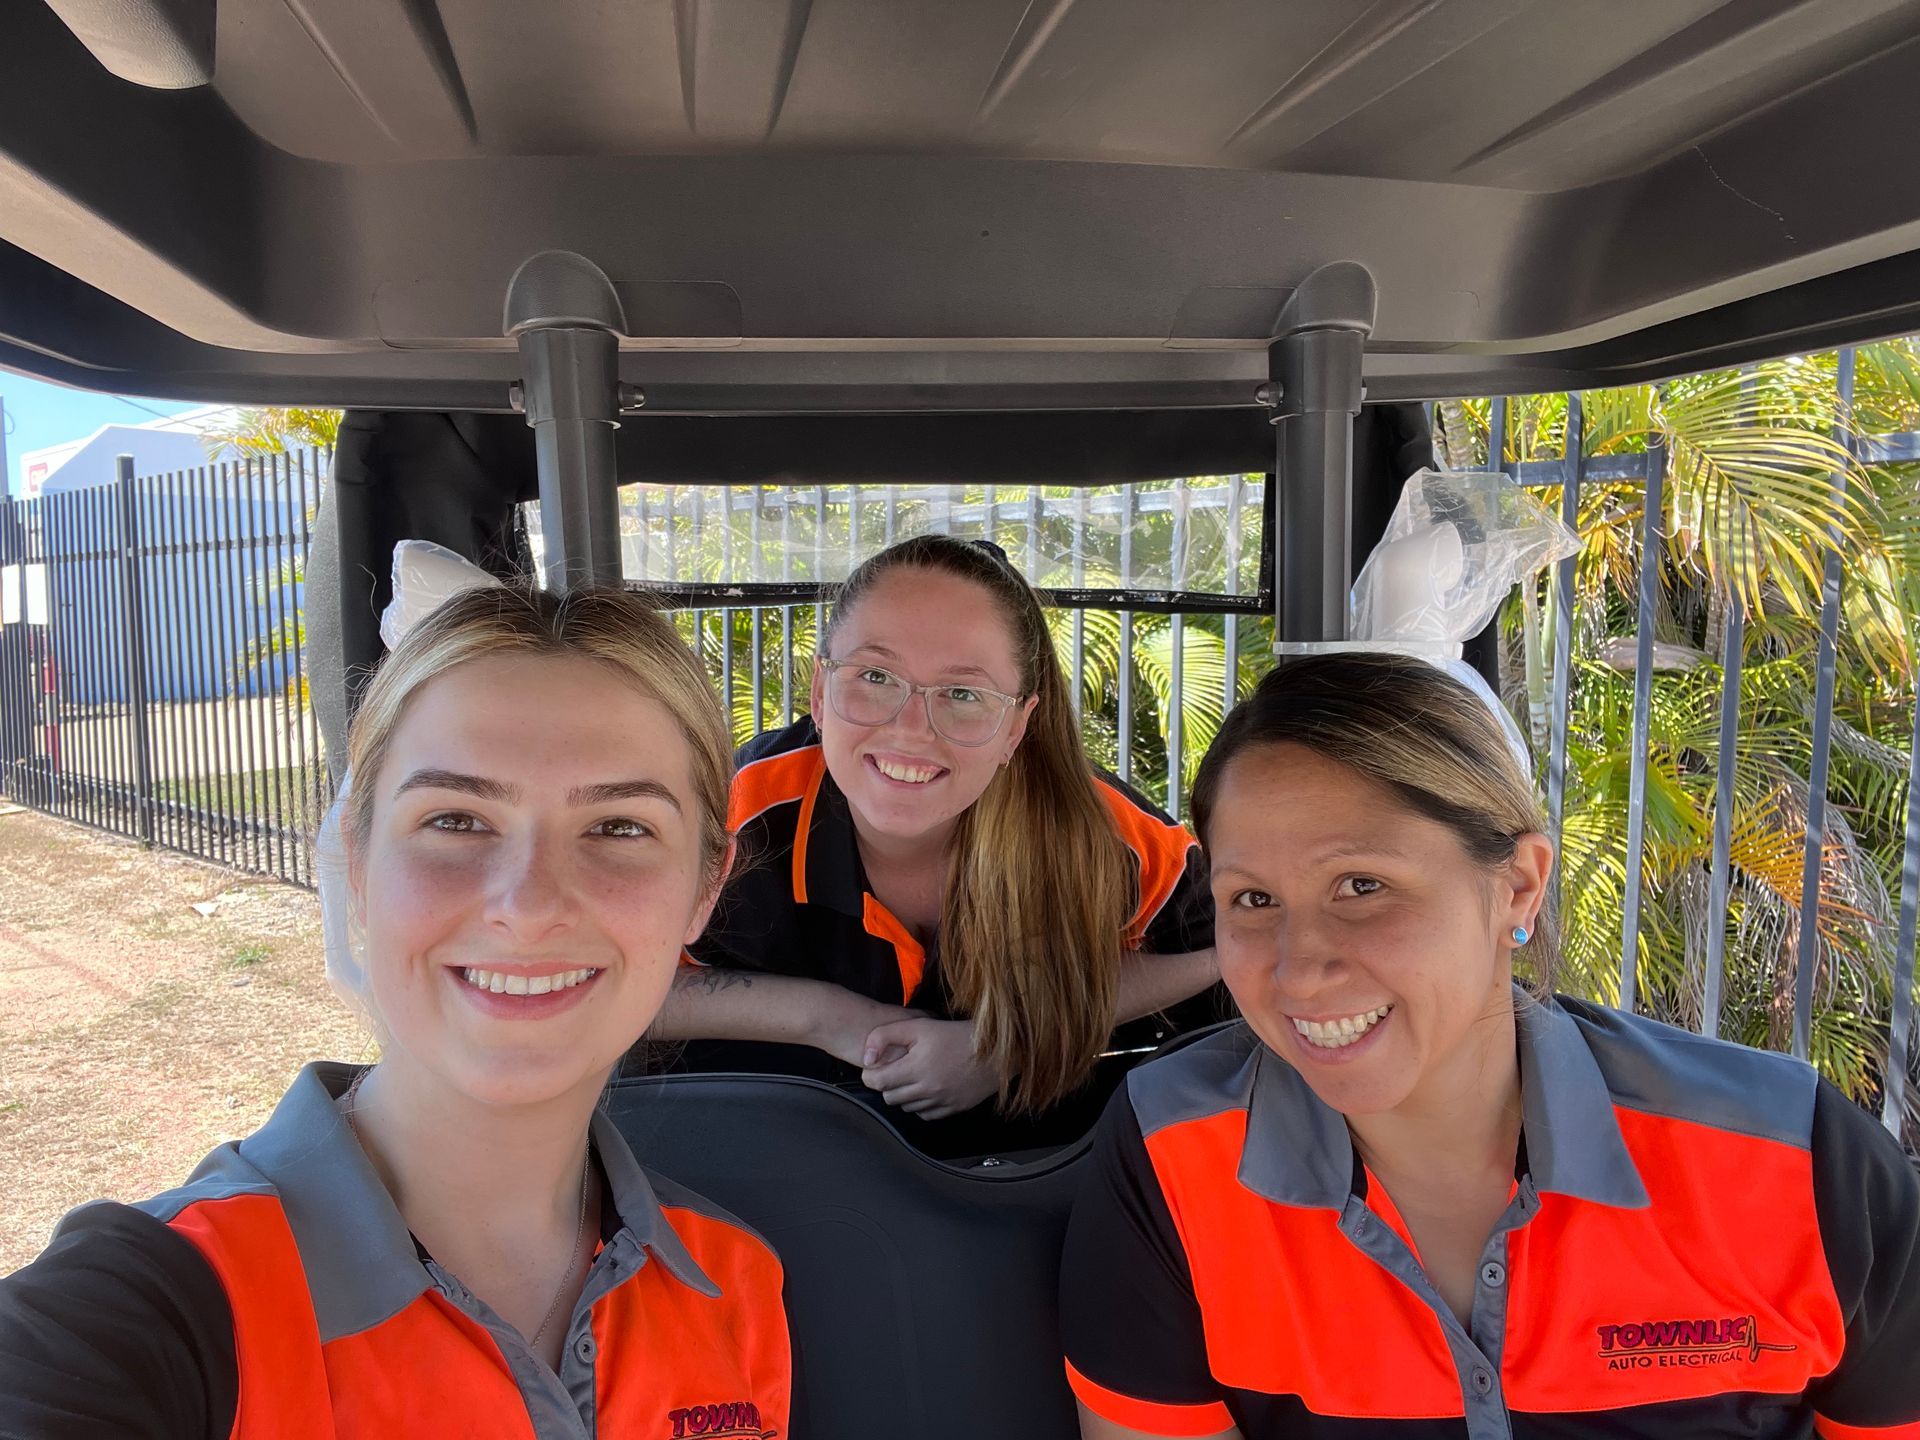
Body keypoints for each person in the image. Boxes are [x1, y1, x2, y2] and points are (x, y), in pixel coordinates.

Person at [1059, 652, 1920, 1439]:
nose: (1299, 970)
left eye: (1362, 885)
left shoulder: (1790, 1159)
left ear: (1517, 886)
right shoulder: (1170, 1157)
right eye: (1253, 900)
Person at [0, 585, 791, 1438]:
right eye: (457, 819)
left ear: (705, 889)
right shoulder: (147, 1311)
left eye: (619, 828)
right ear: (358, 864)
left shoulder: (734, 1281)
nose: (527, 906)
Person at [650, 534, 1221, 1151]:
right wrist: (827, 1018)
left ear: (1017, 727)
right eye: (875, 675)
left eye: (963, 694)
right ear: (819, 693)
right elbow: (604, 982)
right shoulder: (736, 809)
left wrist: (1007, 1043)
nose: (910, 730)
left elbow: (1238, 943)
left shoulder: (1101, 831)